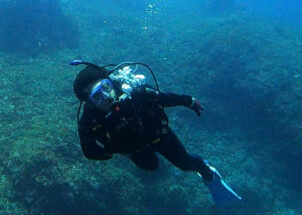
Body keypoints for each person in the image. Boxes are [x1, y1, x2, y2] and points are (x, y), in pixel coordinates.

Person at [73, 61, 241, 206]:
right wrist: (112, 149)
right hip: (136, 149)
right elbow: (89, 151)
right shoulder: (89, 120)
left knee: (186, 163)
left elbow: (164, 98)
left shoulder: (134, 91)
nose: (106, 97)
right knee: (151, 166)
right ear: (89, 102)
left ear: (110, 82)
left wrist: (189, 101)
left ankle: (208, 173)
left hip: (159, 135)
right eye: (97, 96)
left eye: (105, 88)